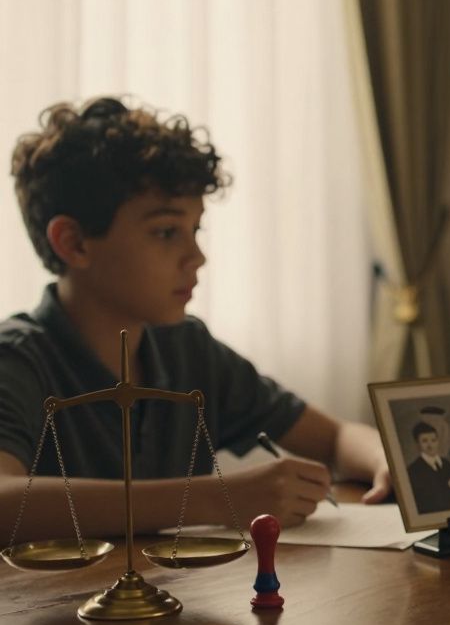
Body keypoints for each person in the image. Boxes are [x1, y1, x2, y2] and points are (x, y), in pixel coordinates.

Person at [0, 97, 392, 540]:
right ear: (73, 243)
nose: (197, 257)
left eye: (196, 229)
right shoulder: (16, 361)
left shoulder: (186, 349)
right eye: (166, 232)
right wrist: (212, 498)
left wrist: (385, 460)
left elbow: (336, 437)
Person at [405, 417, 450, 513]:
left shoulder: (448, 464)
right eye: (424, 441)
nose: (430, 445)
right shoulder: (412, 470)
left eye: (433, 440)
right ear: (417, 443)